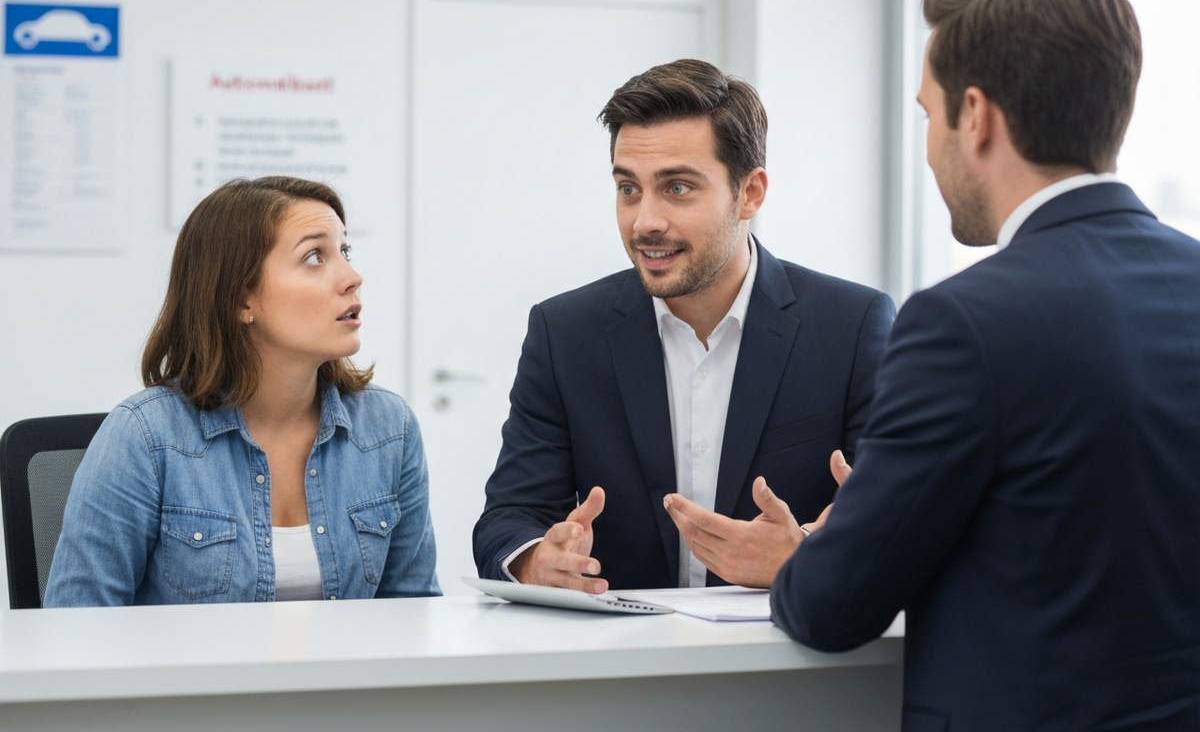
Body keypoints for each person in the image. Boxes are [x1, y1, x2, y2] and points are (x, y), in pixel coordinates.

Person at [771, 0, 1200, 730]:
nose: (931, 147)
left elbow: (831, 608)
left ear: (978, 116)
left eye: (928, 114)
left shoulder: (963, 324)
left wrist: (822, 545)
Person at [474, 59, 895, 593]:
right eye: (629, 188)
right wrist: (537, 561)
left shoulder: (852, 326)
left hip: (791, 660)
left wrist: (808, 554)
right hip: (622, 660)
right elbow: (508, 517)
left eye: (677, 188)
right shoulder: (565, 333)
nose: (644, 220)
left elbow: (901, 516)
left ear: (750, 194)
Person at [45, 177, 440, 605]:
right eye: (313, 256)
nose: (352, 277)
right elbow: (77, 628)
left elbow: (412, 615)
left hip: (342, 676)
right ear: (240, 299)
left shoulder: (389, 430)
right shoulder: (144, 436)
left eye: (344, 251)